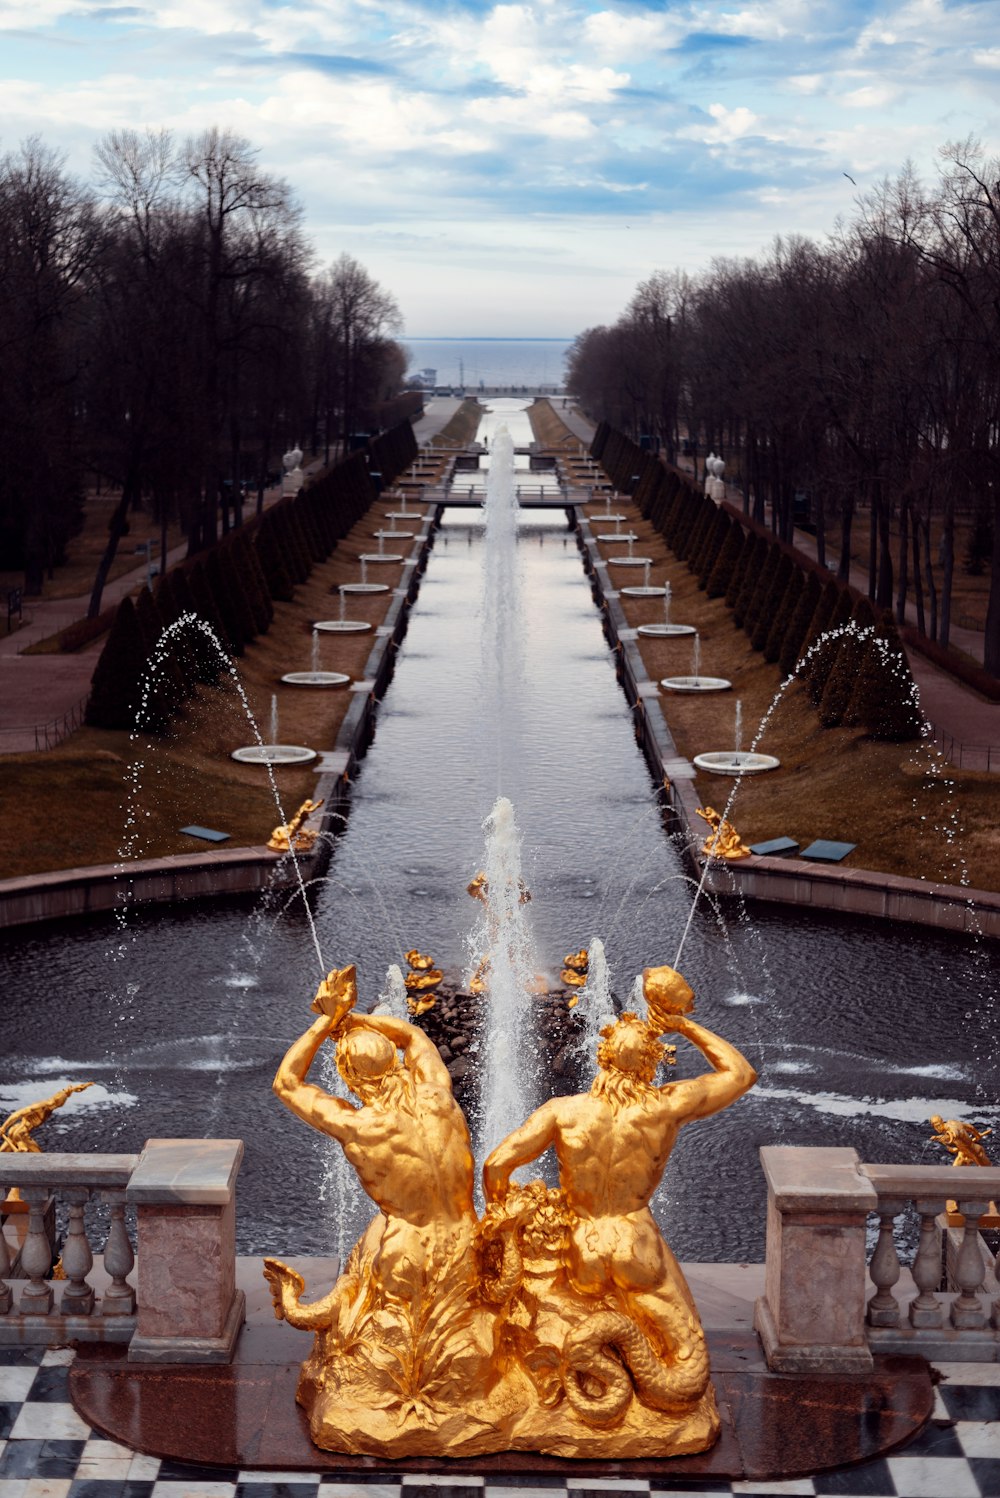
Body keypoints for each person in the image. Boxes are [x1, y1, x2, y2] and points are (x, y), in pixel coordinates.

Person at [483, 965, 756, 1354]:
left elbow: (496, 1165)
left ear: (604, 1058)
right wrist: (682, 1025)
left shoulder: (563, 1111)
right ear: (651, 1062)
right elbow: (741, 1073)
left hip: (582, 1246)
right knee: (680, 1346)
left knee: (572, 1333)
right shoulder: (666, 1106)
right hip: (636, 1241)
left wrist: (501, 1220)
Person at [271, 965, 477, 1300]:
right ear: (395, 1062)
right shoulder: (438, 1092)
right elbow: (413, 1036)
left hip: (409, 1255)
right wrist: (352, 1019)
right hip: (469, 1242)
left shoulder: (358, 1127)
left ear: (349, 1078)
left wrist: (329, 1020)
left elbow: (287, 1083)